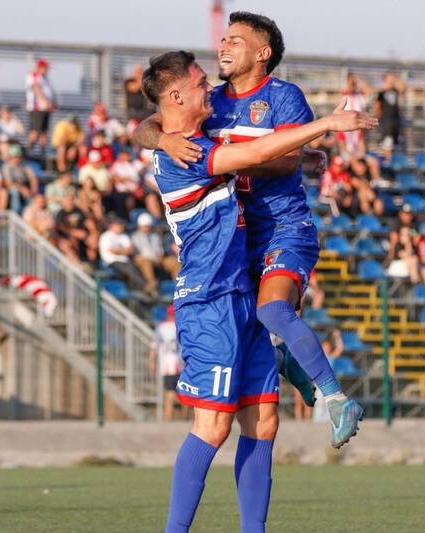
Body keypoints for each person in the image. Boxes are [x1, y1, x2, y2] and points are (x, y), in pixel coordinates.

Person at [140, 48, 370, 532]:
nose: (211, 86)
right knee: (213, 426)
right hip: (208, 300)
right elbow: (254, 152)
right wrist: (327, 122)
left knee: (264, 422)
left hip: (240, 295)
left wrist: (155, 133)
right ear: (178, 94)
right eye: (202, 81)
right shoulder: (184, 154)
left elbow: (146, 125)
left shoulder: (184, 138)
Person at [132, 213, 180, 295]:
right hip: (145, 260)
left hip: (157, 259)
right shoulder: (135, 237)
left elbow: (159, 250)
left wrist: (160, 257)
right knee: (145, 261)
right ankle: (152, 284)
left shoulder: (155, 236)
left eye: (148, 226)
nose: (147, 229)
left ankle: (179, 283)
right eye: (144, 227)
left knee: (173, 261)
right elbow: (136, 253)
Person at [150, 305, 184, 422]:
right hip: (181, 365)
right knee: (184, 394)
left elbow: (154, 347)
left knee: (169, 394)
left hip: (166, 366)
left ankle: (169, 420)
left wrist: (152, 363)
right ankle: (184, 420)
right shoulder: (181, 326)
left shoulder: (161, 328)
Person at [99, 216, 146, 289]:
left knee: (137, 267)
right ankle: (144, 287)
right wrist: (123, 251)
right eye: (119, 225)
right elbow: (112, 251)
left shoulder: (124, 236)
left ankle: (139, 288)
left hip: (125, 260)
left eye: (122, 225)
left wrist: (119, 251)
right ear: (113, 226)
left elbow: (130, 250)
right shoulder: (106, 236)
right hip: (111, 262)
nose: (122, 227)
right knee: (130, 270)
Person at [56, 193, 99, 266]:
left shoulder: (79, 210)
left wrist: (93, 233)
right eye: (68, 200)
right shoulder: (60, 213)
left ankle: (92, 265)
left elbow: (89, 222)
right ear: (64, 202)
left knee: (93, 241)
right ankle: (79, 266)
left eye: (72, 200)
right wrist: (77, 233)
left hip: (83, 235)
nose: (71, 202)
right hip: (68, 236)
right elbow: (63, 229)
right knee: (72, 242)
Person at [375, 72, 405, 163]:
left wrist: (397, 79)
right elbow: (377, 106)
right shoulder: (381, 92)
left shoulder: (396, 90)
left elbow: (403, 88)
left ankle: (391, 162)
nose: (392, 80)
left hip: (395, 120)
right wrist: (380, 118)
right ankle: (388, 163)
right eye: (390, 78)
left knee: (394, 144)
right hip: (386, 122)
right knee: (387, 144)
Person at [26, 59, 56, 153]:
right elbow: (36, 88)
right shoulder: (34, 76)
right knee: (35, 131)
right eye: (45, 68)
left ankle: (43, 152)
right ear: (40, 67)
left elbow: (49, 92)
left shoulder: (46, 78)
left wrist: (52, 103)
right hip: (37, 109)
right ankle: (29, 151)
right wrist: (45, 102)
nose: (47, 70)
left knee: (44, 132)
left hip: (46, 109)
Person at [2, 144, 39, 212]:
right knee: (15, 192)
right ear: (11, 157)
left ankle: (29, 213)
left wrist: (34, 190)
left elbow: (33, 178)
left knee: (34, 195)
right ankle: (16, 214)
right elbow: (8, 183)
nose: (17, 159)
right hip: (12, 188)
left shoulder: (24, 164)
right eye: (15, 157)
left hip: (23, 186)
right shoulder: (6, 167)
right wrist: (22, 189)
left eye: (19, 157)